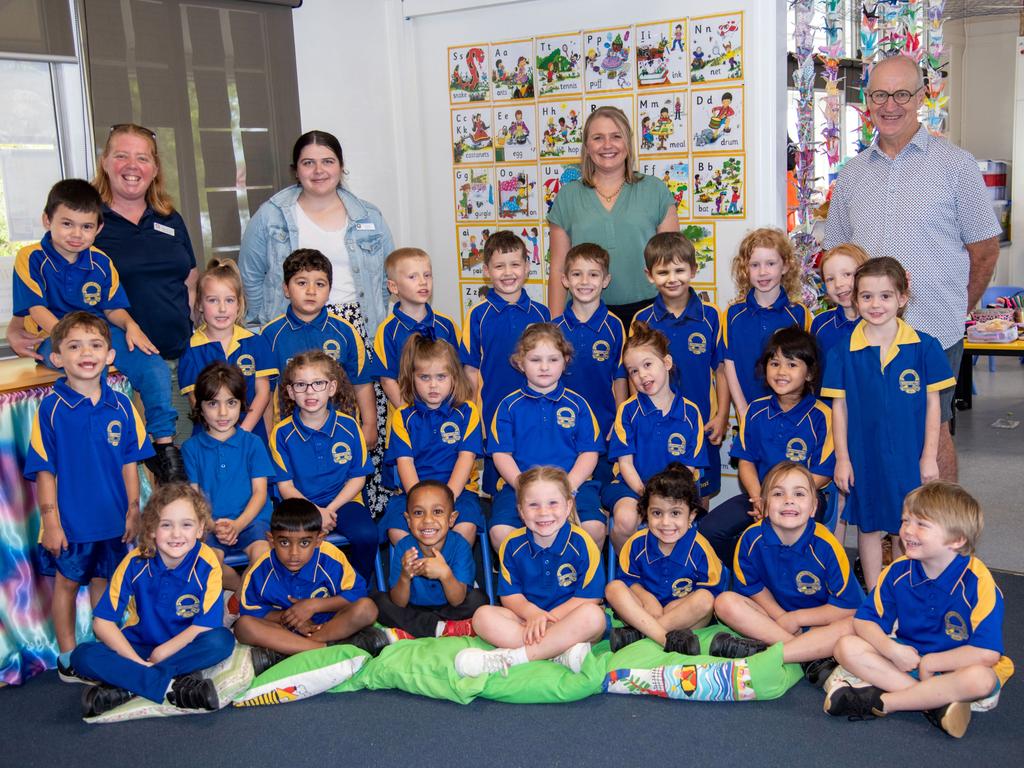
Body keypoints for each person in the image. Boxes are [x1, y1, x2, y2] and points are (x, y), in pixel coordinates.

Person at [823, 55, 1002, 482]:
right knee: (873, 435)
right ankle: (888, 542)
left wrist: (957, 306)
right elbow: (838, 254)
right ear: (866, 101)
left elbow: (985, 250)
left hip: (933, 331)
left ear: (921, 97)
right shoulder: (851, 176)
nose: (890, 105)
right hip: (866, 339)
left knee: (933, 437)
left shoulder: (956, 166)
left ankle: (943, 540)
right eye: (880, 94)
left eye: (902, 93)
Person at [12, 124, 200, 481]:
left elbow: (188, 282)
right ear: (105, 162)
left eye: (142, 157)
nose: (132, 165)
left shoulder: (167, 220)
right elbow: (34, 302)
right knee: (123, 471)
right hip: (107, 366)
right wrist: (30, 327)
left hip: (171, 354)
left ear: (155, 167)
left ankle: (165, 450)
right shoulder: (74, 223)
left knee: (179, 469)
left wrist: (134, 327)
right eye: (122, 155)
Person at [24, 312, 154, 682]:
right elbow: (44, 472)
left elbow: (131, 464)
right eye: (74, 346)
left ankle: (104, 648)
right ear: (57, 358)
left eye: (96, 345)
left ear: (110, 356)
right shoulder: (51, 408)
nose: (87, 353)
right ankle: (68, 659)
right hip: (71, 524)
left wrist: (133, 512)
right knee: (65, 586)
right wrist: (51, 522)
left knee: (105, 583)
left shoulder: (122, 405)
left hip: (114, 520)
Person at [827, 482, 1012, 739]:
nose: (906, 531)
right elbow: (864, 621)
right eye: (905, 521)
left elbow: (987, 653)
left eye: (921, 524)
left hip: (955, 669)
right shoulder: (898, 571)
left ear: (957, 539)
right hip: (907, 660)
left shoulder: (978, 582)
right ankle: (937, 704)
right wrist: (892, 649)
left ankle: (885, 702)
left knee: (981, 679)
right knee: (845, 647)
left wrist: (933, 662)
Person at [822, 258, 955, 590]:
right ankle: (875, 597)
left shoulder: (925, 347)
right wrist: (842, 458)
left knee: (905, 527)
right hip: (864, 458)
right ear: (855, 299)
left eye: (885, 296)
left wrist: (928, 456)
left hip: (909, 457)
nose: (875, 304)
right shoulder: (843, 351)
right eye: (866, 296)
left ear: (902, 298)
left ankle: (903, 592)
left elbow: (933, 406)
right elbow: (839, 409)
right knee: (868, 527)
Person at [71, 483, 235, 717]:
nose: (176, 534)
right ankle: (169, 686)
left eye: (186, 525)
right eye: (166, 525)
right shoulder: (134, 563)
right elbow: (102, 622)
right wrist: (137, 662)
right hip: (138, 646)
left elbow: (206, 625)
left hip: (184, 645)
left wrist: (163, 653)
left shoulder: (207, 563)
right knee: (82, 656)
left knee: (222, 641)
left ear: (199, 529)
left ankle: (127, 686)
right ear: (151, 530)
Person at [713, 462, 864, 687]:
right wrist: (782, 616)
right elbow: (753, 588)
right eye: (778, 493)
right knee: (724, 603)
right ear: (764, 506)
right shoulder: (750, 539)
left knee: (856, 625)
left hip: (819, 622)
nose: (789, 500)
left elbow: (848, 606)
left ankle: (766, 654)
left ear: (813, 507)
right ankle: (808, 655)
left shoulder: (827, 546)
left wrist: (797, 618)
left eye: (799, 494)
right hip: (774, 619)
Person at [454, 467, 606, 678]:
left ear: (568, 505)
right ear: (521, 511)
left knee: (594, 617)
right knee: (482, 617)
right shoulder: (512, 545)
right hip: (526, 620)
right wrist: (532, 614)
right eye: (533, 505)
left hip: (568, 620)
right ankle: (556, 653)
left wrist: (545, 620)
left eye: (553, 503)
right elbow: (509, 596)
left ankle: (515, 658)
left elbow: (590, 598)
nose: (543, 512)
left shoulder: (583, 543)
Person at [239, 130, 395, 336]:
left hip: (358, 328)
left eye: (328, 161)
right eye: (308, 163)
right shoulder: (269, 216)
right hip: (292, 327)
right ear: (296, 170)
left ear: (341, 167)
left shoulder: (369, 217)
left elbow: (386, 279)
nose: (318, 170)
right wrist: (263, 326)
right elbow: (249, 277)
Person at [703, 328, 834, 565]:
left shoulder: (822, 416)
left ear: (809, 373)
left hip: (804, 499)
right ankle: (752, 570)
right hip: (759, 496)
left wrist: (781, 497)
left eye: (792, 365)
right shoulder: (755, 411)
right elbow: (746, 462)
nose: (781, 372)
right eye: (774, 363)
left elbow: (823, 474)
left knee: (786, 530)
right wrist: (761, 498)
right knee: (709, 531)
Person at [547, 106, 679, 322]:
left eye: (616, 136)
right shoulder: (567, 196)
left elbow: (673, 263)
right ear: (587, 147)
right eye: (598, 138)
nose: (607, 145)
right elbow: (558, 270)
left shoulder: (656, 191)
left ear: (627, 142)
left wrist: (673, 321)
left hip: (649, 314)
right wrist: (554, 328)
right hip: (584, 314)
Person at [632, 231, 730, 504]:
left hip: (701, 423)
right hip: (654, 425)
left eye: (679, 270)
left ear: (694, 270)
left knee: (700, 497)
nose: (672, 278)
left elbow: (721, 370)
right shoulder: (642, 320)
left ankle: (698, 547)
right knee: (657, 497)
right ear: (650, 275)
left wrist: (722, 415)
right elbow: (633, 373)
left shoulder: (711, 316)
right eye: (663, 272)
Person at [488, 324, 604, 550]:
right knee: (501, 531)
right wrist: (524, 487)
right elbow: (501, 454)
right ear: (521, 363)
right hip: (518, 488)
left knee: (594, 527)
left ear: (565, 360)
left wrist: (567, 488)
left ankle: (581, 582)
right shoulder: (508, 406)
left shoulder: (578, 405)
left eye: (553, 359)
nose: (544, 367)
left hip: (573, 487)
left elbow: (589, 453)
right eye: (535, 360)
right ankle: (524, 581)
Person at [233, 497, 386, 669]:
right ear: (271, 539)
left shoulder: (331, 558)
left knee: (367, 608)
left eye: (304, 543)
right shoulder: (261, 569)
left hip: (332, 624)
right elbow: (253, 611)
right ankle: (326, 650)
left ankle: (290, 652)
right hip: (286, 630)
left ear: (319, 540)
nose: (294, 553)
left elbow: (357, 593)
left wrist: (314, 605)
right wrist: (292, 618)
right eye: (284, 542)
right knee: (243, 626)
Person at [269, 350, 377, 584]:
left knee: (368, 535)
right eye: (301, 385)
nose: (310, 391)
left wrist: (330, 510)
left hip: (344, 502)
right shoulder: (281, 434)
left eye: (318, 383)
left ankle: (358, 588)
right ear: (290, 391)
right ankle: (299, 590)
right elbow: (285, 487)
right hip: (299, 506)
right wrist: (316, 512)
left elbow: (358, 478)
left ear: (331, 388)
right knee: (294, 544)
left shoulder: (349, 427)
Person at [604, 323, 708, 552]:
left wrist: (664, 499)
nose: (642, 375)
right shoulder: (628, 412)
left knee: (676, 520)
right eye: (633, 371)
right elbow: (625, 465)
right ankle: (628, 569)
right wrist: (646, 496)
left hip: (675, 492)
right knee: (625, 520)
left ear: (667, 363)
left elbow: (689, 468)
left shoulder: (690, 413)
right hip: (633, 488)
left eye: (648, 365)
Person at [460, 230, 549, 493]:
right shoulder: (478, 315)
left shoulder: (540, 313)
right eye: (499, 266)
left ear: (527, 267)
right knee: (496, 487)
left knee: (533, 466)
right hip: (492, 408)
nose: (508, 272)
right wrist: (472, 412)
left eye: (515, 264)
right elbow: (470, 369)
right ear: (487, 270)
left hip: (534, 405)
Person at [261, 249, 376, 448]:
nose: (311, 291)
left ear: (329, 290)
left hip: (342, 435)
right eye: (302, 282)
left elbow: (362, 383)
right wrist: (270, 437)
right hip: (290, 439)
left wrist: (370, 425)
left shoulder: (345, 332)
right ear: (286, 289)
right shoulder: (270, 335)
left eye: (320, 284)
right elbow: (265, 392)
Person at [605, 464, 722, 653]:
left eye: (675, 513)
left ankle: (642, 635)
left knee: (705, 600)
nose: (666, 523)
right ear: (646, 514)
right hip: (644, 611)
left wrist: (674, 607)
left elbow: (711, 591)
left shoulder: (700, 548)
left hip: (682, 616)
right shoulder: (636, 544)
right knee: (613, 588)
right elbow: (628, 581)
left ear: (691, 515)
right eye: (657, 513)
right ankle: (663, 639)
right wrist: (647, 598)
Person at [380, 335, 484, 547]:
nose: (433, 385)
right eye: (425, 377)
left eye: (441, 377)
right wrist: (423, 506)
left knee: (465, 527)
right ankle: (417, 578)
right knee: (397, 530)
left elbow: (465, 460)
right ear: (412, 378)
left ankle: (455, 577)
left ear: (454, 377)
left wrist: (444, 504)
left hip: (458, 492)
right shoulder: (402, 416)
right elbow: (405, 464)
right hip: (412, 494)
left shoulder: (467, 412)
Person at [181, 362, 274, 593]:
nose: (223, 413)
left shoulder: (252, 443)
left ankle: (248, 602)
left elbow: (260, 493)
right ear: (200, 407)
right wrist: (213, 525)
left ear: (241, 404)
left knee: (264, 558)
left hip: (252, 521)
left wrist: (239, 524)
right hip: (211, 524)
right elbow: (194, 497)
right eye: (213, 403)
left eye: (231, 403)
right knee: (209, 564)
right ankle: (244, 596)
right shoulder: (191, 448)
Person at [373, 481, 488, 641]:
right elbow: (398, 602)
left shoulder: (460, 545)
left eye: (438, 511)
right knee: (378, 602)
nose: (428, 520)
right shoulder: (404, 547)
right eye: (419, 513)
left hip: (450, 609)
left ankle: (415, 630)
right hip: (414, 608)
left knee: (479, 599)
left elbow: (458, 600)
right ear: (408, 520)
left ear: (452, 519)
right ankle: (443, 629)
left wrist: (445, 574)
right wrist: (405, 577)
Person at [552, 243, 628, 486]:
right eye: (577, 274)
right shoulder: (555, 328)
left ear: (606, 280)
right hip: (562, 427)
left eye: (593, 274)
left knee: (603, 496)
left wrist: (619, 421)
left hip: (604, 425)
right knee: (565, 490)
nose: (585, 281)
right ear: (565, 280)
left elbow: (620, 377)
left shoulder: (615, 326)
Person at [177, 260, 277, 440]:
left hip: (251, 435)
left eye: (229, 300)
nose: (222, 308)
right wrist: (221, 436)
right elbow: (195, 402)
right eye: (213, 300)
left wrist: (242, 433)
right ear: (199, 304)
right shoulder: (192, 350)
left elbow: (263, 394)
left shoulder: (256, 343)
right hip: (210, 438)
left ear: (239, 304)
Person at [723, 227, 810, 415]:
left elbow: (805, 366)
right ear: (745, 268)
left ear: (785, 266)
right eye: (755, 265)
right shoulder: (733, 314)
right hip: (748, 412)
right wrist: (742, 409)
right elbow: (729, 363)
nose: (763, 272)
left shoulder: (799, 314)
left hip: (790, 414)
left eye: (770, 263)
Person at [369, 247, 459, 408]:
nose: (423, 282)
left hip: (446, 415)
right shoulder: (388, 330)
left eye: (427, 275)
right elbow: (387, 380)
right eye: (412, 277)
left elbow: (459, 371)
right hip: (406, 418)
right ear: (393, 287)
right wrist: (410, 416)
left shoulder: (446, 325)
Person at [812, 243, 871, 381]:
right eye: (830, 279)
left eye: (847, 274)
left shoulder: (879, 322)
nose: (838, 284)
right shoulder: (820, 324)